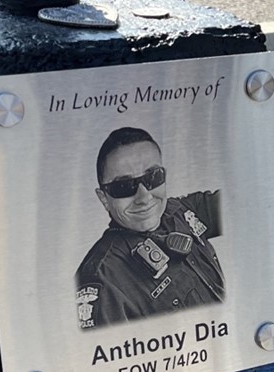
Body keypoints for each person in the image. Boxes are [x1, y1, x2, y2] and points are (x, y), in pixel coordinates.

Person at [76, 127, 225, 330]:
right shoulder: (102, 278)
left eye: (153, 177)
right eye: (124, 186)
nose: (144, 197)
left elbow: (248, 201)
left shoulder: (181, 210)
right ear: (104, 198)